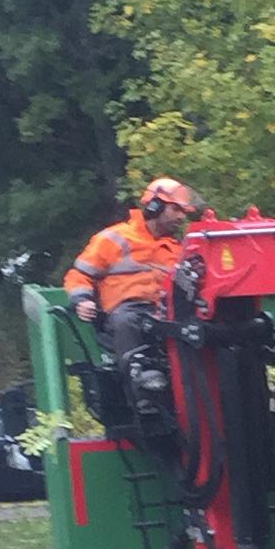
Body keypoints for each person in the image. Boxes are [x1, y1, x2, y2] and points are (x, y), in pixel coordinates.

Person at [64, 178, 205, 431]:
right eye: (176, 210)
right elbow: (79, 276)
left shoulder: (180, 249)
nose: (181, 217)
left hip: (168, 315)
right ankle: (144, 400)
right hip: (128, 313)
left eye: (184, 211)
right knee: (127, 322)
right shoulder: (113, 239)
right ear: (154, 208)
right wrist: (81, 299)